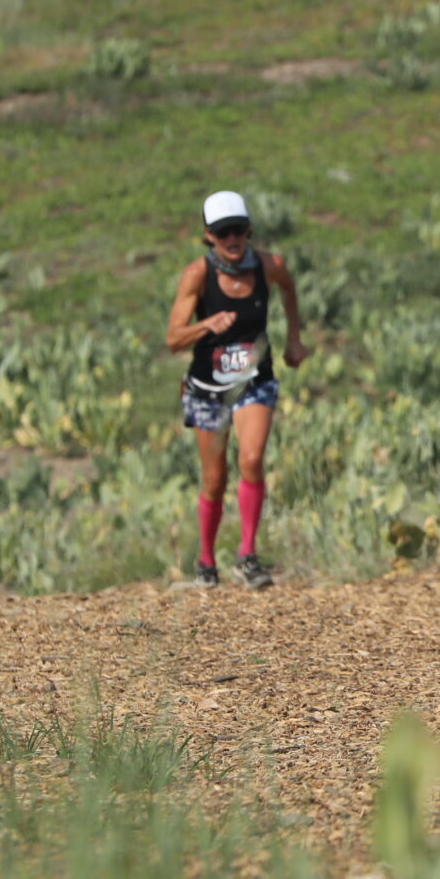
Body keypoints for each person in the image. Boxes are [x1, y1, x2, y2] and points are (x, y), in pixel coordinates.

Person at [166, 191, 309, 589]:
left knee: (252, 459)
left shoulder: (268, 266)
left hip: (253, 382)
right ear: (208, 236)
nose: (232, 239)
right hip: (208, 390)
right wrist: (205, 325)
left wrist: (293, 340)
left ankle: (247, 556)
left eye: (239, 230)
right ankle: (206, 562)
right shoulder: (197, 275)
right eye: (222, 232)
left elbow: (288, 287)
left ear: (248, 231)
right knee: (214, 478)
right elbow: (173, 339)